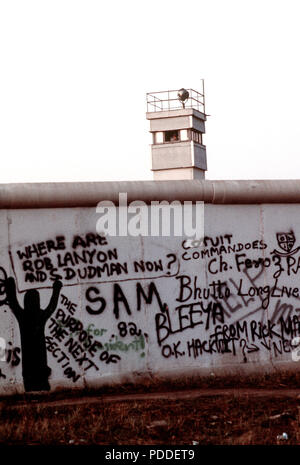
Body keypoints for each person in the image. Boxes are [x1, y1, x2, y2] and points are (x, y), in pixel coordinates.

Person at [4, 277, 62, 392]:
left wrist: (10, 286)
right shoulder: (40, 316)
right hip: (40, 360)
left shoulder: (22, 316)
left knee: (30, 384)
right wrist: (56, 289)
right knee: (41, 383)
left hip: (28, 363)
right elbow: (52, 306)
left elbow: (13, 302)